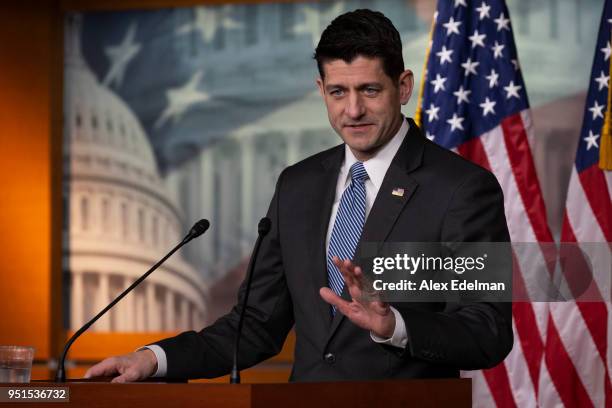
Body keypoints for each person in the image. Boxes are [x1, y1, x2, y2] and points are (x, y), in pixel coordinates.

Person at [85, 9, 513, 383]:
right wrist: (153, 359)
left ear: (402, 87)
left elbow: (488, 331)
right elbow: (255, 324)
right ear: (320, 89)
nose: (353, 111)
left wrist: (394, 325)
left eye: (369, 90)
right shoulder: (298, 185)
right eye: (338, 92)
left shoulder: (462, 188)